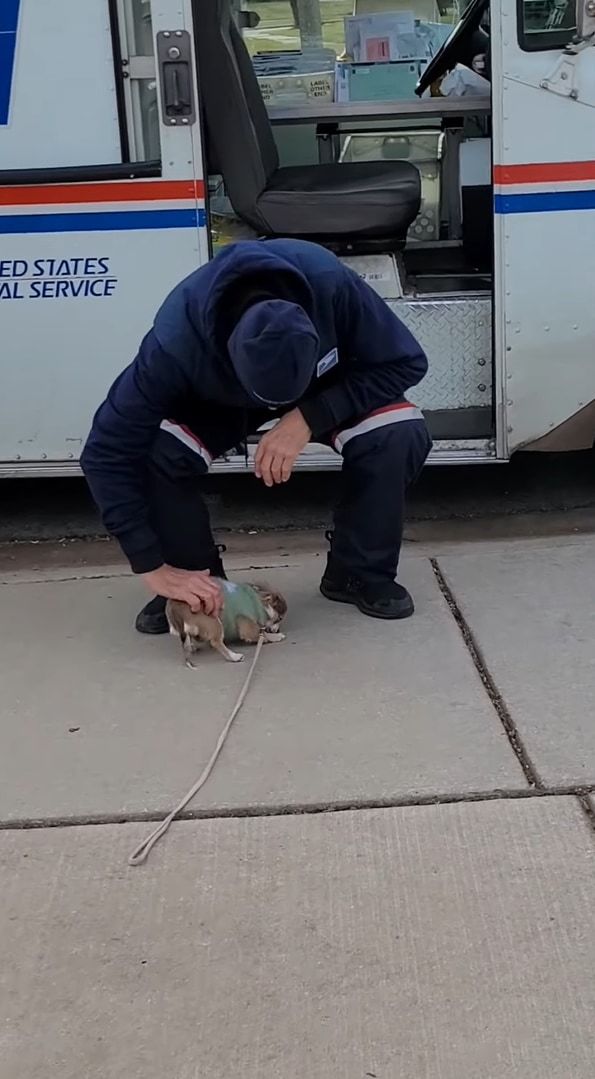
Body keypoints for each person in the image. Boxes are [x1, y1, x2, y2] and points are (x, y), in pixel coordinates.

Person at [81, 239, 431, 633]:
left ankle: (357, 573)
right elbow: (105, 452)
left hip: (322, 390)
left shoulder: (332, 285)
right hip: (218, 401)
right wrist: (151, 565)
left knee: (399, 431)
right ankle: (196, 585)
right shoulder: (176, 341)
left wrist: (308, 416)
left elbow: (407, 361)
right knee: (154, 451)